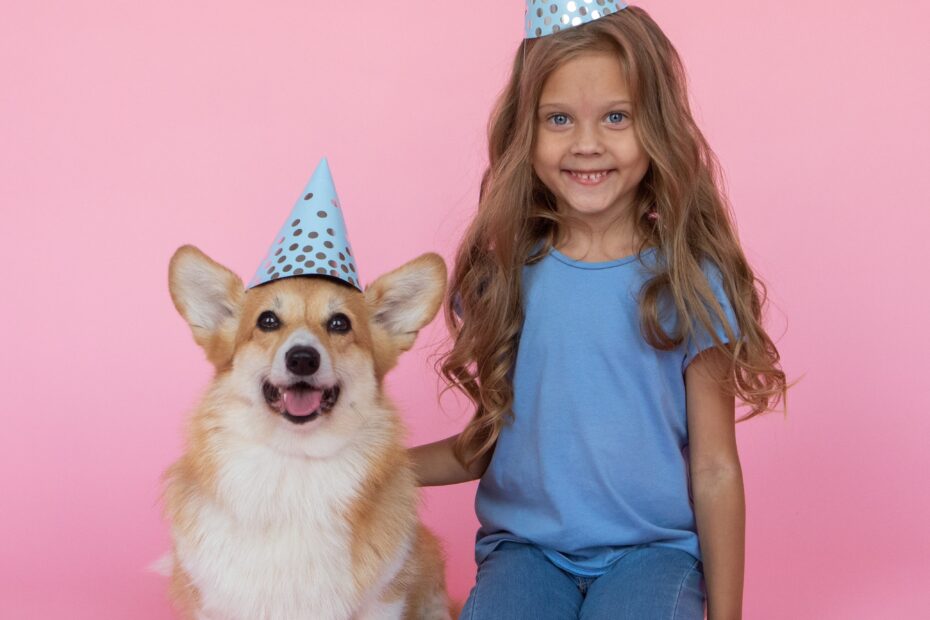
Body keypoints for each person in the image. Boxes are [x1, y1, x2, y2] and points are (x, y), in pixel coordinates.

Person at [410, 3, 787, 618]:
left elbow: (716, 468)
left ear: (657, 127)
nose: (587, 144)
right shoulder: (504, 276)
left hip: (653, 554)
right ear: (524, 132)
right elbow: (484, 445)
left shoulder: (690, 280)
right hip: (526, 552)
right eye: (559, 118)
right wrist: (358, 468)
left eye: (616, 116)